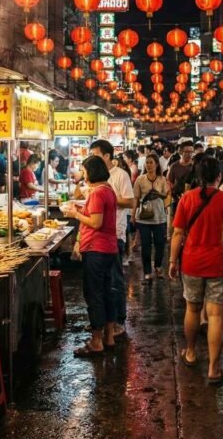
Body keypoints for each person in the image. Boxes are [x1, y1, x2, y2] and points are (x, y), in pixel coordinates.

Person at [169, 156, 223, 384]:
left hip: (192, 262)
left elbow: (177, 233)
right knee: (216, 315)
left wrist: (172, 262)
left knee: (193, 309)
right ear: (219, 176)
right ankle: (214, 368)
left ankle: (191, 352)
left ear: (197, 176)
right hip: (219, 263)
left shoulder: (187, 198)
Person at [62, 156, 119, 357]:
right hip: (108, 249)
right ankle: (109, 336)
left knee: (94, 294)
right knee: (106, 292)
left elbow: (95, 222)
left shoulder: (98, 193)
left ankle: (96, 341)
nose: (83, 175)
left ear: (92, 172)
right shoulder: (107, 189)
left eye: (85, 171)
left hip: (96, 249)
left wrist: (74, 215)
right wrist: (80, 209)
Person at [89, 140, 135, 335]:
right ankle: (103, 322)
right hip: (97, 236)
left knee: (115, 279)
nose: (92, 158)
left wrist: (108, 199)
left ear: (107, 156)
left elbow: (131, 201)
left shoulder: (120, 175)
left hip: (115, 233)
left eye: (96, 155)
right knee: (102, 283)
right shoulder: (95, 177)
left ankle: (119, 320)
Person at [134, 153, 171, 282]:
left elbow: (166, 196)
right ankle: (147, 271)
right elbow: (136, 199)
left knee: (160, 244)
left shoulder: (162, 179)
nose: (149, 165)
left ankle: (158, 266)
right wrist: (133, 215)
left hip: (159, 217)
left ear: (156, 164)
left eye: (151, 162)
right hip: (143, 217)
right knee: (146, 245)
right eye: (147, 162)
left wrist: (158, 194)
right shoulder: (140, 179)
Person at [168, 140, 196, 215]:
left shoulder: (196, 166)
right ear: (181, 152)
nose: (189, 154)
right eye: (186, 152)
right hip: (178, 200)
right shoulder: (174, 166)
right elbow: (169, 184)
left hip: (193, 201)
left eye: (191, 152)